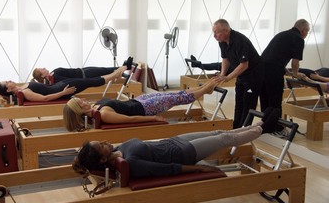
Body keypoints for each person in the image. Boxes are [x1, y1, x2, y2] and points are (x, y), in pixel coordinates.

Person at [72, 107, 281, 178]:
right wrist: (199, 170)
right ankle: (264, 128)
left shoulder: (116, 151)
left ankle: (261, 123)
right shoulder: (130, 161)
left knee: (218, 130)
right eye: (102, 145)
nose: (106, 142)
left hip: (175, 141)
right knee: (223, 139)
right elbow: (167, 169)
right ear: (102, 157)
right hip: (185, 152)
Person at [63, 80, 219, 131]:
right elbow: (128, 120)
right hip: (145, 109)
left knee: (175, 94)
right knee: (177, 99)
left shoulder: (96, 107)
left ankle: (204, 88)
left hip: (139, 101)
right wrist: (154, 119)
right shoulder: (103, 113)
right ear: (80, 110)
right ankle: (206, 89)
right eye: (80, 102)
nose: (83, 100)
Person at [260, 19, 310, 137]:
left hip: (261, 68)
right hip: (273, 71)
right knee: (275, 101)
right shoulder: (298, 39)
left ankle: (264, 127)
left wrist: (285, 70)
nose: (307, 34)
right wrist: (296, 74)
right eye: (307, 31)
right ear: (303, 30)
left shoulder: (282, 34)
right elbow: (295, 63)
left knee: (265, 98)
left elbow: (273, 55)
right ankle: (277, 129)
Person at [212, 19, 264, 129]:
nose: (214, 36)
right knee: (239, 101)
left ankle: (244, 129)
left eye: (216, 32)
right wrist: (222, 74)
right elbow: (225, 59)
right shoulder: (222, 42)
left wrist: (228, 77)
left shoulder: (240, 41)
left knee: (248, 103)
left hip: (254, 74)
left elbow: (244, 65)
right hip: (242, 75)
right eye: (213, 32)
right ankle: (236, 127)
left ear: (226, 31)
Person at [0, 66, 127, 104]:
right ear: (8, 89)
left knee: (89, 81)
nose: (9, 80)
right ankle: (115, 74)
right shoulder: (23, 92)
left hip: (60, 85)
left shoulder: (23, 86)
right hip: (61, 89)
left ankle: (115, 73)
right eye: (7, 82)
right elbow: (45, 98)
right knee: (89, 82)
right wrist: (63, 93)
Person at [32, 57, 133, 84]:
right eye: (42, 69)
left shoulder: (53, 74)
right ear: (42, 76)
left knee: (104, 69)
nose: (44, 68)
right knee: (104, 70)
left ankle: (123, 68)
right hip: (85, 75)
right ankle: (125, 67)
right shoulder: (55, 77)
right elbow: (70, 81)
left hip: (83, 71)